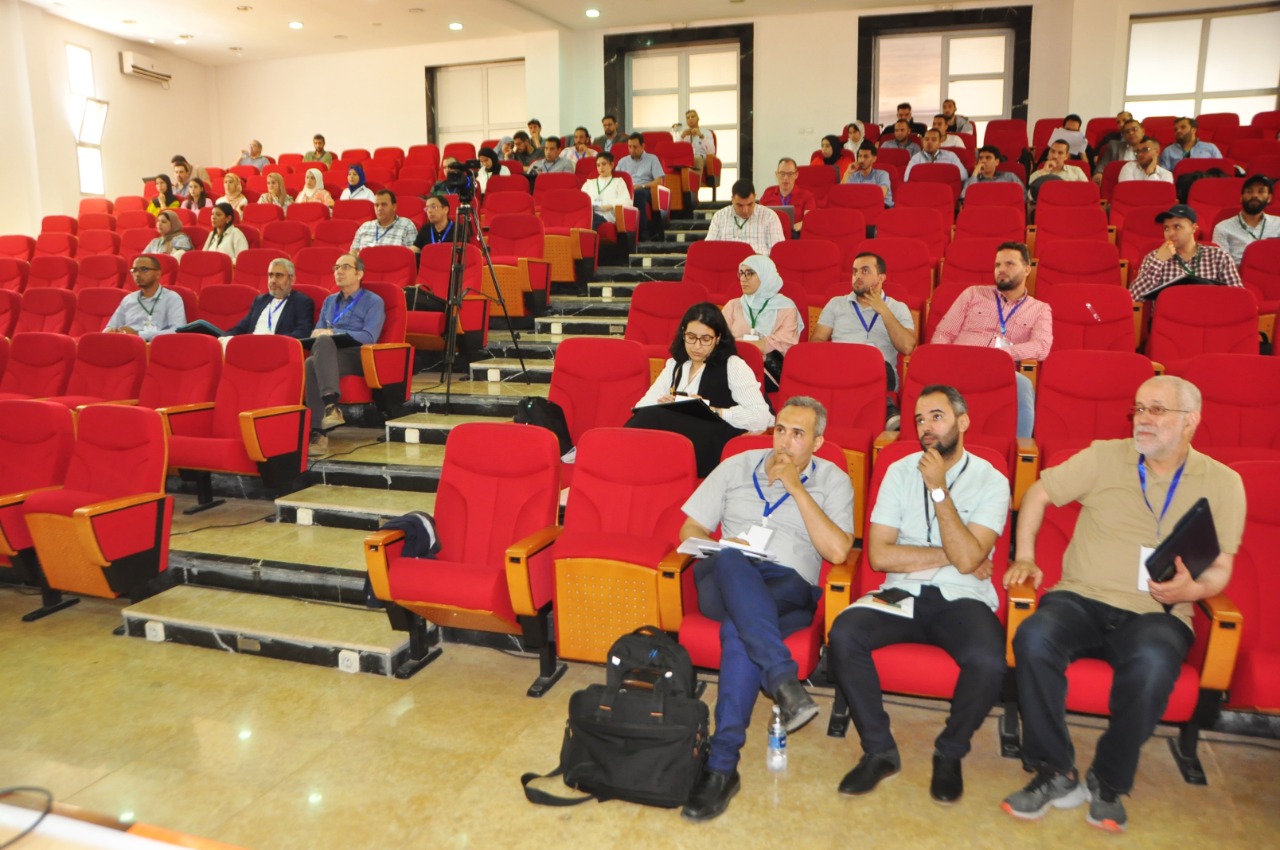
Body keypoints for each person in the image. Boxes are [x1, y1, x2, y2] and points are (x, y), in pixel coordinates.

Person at [1001, 375, 1245, 833]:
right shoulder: (1105, 456)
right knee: (1033, 636)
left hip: (1159, 612)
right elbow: (1037, 494)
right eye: (1139, 408)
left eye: (1157, 410)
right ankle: (1055, 771)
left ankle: (1108, 780)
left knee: (1153, 663)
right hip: (1081, 598)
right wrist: (1026, 555)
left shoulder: (1224, 483)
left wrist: (1192, 591)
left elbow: (1221, 567)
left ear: (1190, 420)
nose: (1143, 419)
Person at [829, 385, 1009, 804]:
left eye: (937, 417)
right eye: (920, 420)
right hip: (900, 592)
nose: (926, 427)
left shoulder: (992, 480)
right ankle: (879, 750)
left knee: (988, 661)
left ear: (963, 422)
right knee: (845, 632)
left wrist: (939, 489)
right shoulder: (897, 471)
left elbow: (970, 564)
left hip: (964, 598)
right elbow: (879, 555)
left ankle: (950, 751)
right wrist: (957, 554)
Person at [677, 397, 854, 822]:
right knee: (732, 560)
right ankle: (783, 680)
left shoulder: (833, 480)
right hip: (724, 579)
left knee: (739, 631)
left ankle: (722, 767)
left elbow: (837, 551)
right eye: (780, 430)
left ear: (818, 442)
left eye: (798, 434)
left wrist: (796, 488)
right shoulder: (736, 466)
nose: (785, 442)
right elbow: (690, 528)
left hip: (787, 587)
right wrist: (724, 545)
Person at [629, 302, 773, 478]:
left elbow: (761, 417)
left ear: (718, 338)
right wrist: (665, 404)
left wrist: (714, 411)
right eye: (691, 337)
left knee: (654, 419)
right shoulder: (675, 365)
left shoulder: (733, 365)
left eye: (705, 339)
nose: (697, 346)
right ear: (683, 334)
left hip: (713, 443)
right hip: (680, 441)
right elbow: (641, 407)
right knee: (650, 415)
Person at [930, 242, 1050, 439]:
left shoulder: (1039, 309)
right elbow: (944, 332)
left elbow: (1042, 346)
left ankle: (1020, 446)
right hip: (960, 363)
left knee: (1023, 384)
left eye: (1009, 264)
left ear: (1027, 269)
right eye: (997, 265)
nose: (1001, 269)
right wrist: (943, 360)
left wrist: (1003, 354)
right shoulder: (973, 294)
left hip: (999, 371)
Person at [307, 253, 386, 456]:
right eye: (336, 268)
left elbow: (369, 336)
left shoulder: (373, 301)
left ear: (359, 273)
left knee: (322, 345)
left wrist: (333, 333)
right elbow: (317, 332)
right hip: (329, 353)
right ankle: (323, 422)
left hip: (359, 355)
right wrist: (322, 334)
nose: (339, 272)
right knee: (311, 361)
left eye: (345, 267)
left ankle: (326, 416)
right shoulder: (329, 301)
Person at [812, 250, 916, 394]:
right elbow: (816, 341)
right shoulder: (836, 303)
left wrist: (884, 310)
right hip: (841, 366)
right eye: (855, 271)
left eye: (865, 271)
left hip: (879, 370)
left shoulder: (898, 307)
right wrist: (834, 357)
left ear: (881, 278)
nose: (858, 276)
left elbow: (907, 347)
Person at [1128, 204, 1243, 299]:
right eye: (1166, 228)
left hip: (1209, 316)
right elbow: (1134, 296)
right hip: (1169, 318)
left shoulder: (1219, 256)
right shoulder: (1154, 257)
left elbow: (1239, 298)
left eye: (1177, 227)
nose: (1170, 233)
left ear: (1194, 228)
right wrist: (1158, 261)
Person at [721, 254, 802, 388]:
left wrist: (737, 343)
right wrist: (753, 345)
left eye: (749, 273)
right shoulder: (733, 305)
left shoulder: (786, 307)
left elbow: (783, 343)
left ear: (765, 275)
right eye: (741, 273)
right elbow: (718, 338)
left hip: (767, 370)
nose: (743, 279)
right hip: (732, 364)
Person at [226, 258, 315, 339]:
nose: (273, 280)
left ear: (292, 279)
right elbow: (241, 327)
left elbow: (303, 332)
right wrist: (225, 337)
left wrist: (273, 341)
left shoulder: (302, 302)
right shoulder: (260, 300)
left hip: (277, 347)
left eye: (279, 276)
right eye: (270, 275)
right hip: (251, 343)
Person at [104, 255, 186, 340]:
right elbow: (110, 327)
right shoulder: (128, 299)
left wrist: (138, 334)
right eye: (134, 270)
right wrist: (110, 331)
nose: (137, 274)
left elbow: (177, 331)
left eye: (144, 269)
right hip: (126, 343)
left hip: (155, 345)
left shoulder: (172, 298)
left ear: (158, 274)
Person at [1210, 174, 1279, 266]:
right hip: (1237, 273)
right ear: (1241, 198)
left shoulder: (1278, 224)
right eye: (1249, 191)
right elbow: (1220, 265)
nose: (1254, 195)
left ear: (1269, 198)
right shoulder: (1223, 228)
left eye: (1261, 191)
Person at [705, 179, 784, 256]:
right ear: (732, 199)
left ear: (755, 197)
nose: (745, 210)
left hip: (758, 262)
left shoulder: (769, 216)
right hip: (727, 262)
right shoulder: (720, 217)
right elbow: (708, 249)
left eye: (750, 204)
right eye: (740, 205)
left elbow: (779, 253)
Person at [614, 133, 667, 241]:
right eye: (629, 147)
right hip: (626, 190)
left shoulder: (652, 159)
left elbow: (658, 181)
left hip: (646, 190)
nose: (632, 150)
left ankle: (643, 233)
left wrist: (641, 186)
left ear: (643, 146)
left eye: (635, 147)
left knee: (638, 194)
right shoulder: (623, 161)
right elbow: (615, 181)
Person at [759, 158, 817, 236]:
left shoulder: (807, 196)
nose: (786, 178)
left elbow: (810, 220)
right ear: (776, 174)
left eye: (790, 174)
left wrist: (802, 224)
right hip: (771, 234)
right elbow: (758, 216)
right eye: (782, 173)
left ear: (796, 175)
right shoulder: (768, 194)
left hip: (795, 235)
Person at [350, 190, 417, 254]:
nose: (379, 208)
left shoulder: (407, 226)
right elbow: (353, 253)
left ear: (394, 207)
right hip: (364, 262)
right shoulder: (364, 227)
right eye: (376, 205)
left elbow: (412, 256)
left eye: (384, 204)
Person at [580, 152, 633, 228]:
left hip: (607, 216)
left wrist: (611, 206)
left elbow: (627, 201)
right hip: (590, 213)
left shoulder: (618, 182)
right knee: (584, 217)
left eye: (604, 164)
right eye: (598, 165)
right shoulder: (589, 183)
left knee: (589, 218)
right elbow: (580, 201)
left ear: (612, 165)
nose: (601, 168)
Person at [1158, 117, 1223, 171]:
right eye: (1176, 129)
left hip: (1206, 180)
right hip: (1180, 181)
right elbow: (1164, 174)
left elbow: (1222, 168)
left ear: (1193, 130)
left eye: (1183, 127)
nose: (1178, 131)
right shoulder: (1168, 151)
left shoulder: (1210, 147)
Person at [841, 142, 894, 208]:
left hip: (881, 207)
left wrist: (857, 197)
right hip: (859, 207)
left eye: (866, 156)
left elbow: (880, 195)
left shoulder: (882, 174)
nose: (862, 160)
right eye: (860, 156)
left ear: (874, 158)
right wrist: (847, 173)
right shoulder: (853, 176)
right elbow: (842, 195)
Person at [1094, 119, 1145, 184]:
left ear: (1143, 131)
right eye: (1127, 131)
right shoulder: (1114, 147)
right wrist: (1098, 175)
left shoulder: (1151, 148)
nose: (1131, 133)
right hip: (1117, 183)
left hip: (1142, 183)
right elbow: (1101, 168)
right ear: (1123, 135)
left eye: (1135, 129)